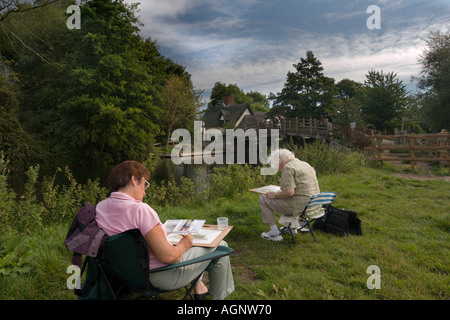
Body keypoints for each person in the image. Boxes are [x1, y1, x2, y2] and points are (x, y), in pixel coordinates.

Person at [95, 160, 234, 300]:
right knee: (221, 247)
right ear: (133, 180)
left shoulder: (101, 208)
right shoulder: (140, 210)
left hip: (127, 274)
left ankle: (200, 288)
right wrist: (184, 244)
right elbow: (169, 257)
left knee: (185, 247)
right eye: (144, 184)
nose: (144, 192)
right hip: (161, 275)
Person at [258, 149, 322, 242]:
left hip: (299, 208)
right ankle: (291, 227)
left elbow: (289, 192)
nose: (278, 169)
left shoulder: (288, 168)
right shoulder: (305, 164)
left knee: (263, 198)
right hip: (313, 206)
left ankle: (275, 233)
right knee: (282, 198)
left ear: (281, 161)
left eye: (276, 165)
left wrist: (275, 195)